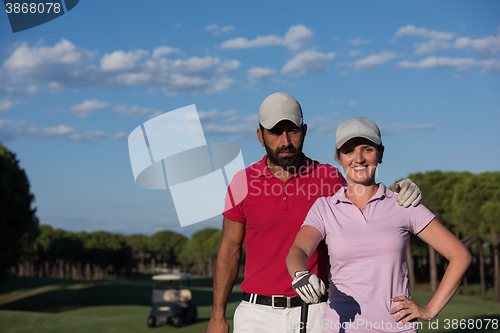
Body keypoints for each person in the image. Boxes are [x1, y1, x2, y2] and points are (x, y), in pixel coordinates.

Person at [206, 93, 422, 333]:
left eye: (293, 131)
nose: (286, 141)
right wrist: (217, 317)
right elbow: (229, 250)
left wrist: (397, 193)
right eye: (276, 133)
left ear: (305, 131)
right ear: (260, 136)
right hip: (256, 313)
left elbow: (366, 208)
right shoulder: (242, 182)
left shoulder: (329, 178)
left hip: (316, 312)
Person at [286, 117, 472, 333]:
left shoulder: (402, 203)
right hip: (341, 328)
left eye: (367, 149)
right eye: (348, 151)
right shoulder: (325, 208)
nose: (358, 158)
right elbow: (298, 250)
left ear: (380, 154)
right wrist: (300, 274)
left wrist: (430, 310)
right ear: (338, 157)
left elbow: (460, 255)